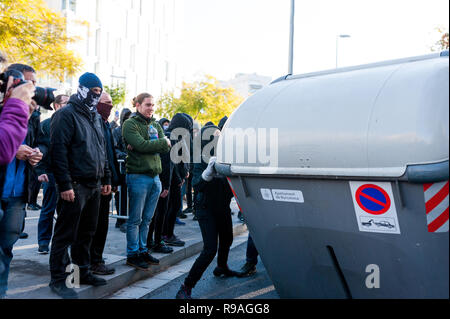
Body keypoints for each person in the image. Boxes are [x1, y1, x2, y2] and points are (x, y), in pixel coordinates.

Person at [49, 72, 111, 299]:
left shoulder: (94, 116)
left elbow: (101, 151)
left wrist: (106, 179)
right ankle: (59, 279)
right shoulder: (66, 115)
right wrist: (65, 184)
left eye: (99, 93)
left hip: (94, 185)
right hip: (74, 185)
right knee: (65, 235)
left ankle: (81, 272)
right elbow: (59, 152)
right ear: (82, 89)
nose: (96, 97)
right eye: (93, 92)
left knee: (86, 234)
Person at [176, 125, 241, 299]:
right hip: (206, 208)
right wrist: (208, 173)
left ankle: (221, 266)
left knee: (227, 239)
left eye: (219, 137)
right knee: (210, 249)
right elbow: (197, 185)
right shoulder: (200, 159)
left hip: (222, 206)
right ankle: (186, 287)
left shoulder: (227, 155)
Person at [122, 92, 171, 270]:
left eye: (152, 105)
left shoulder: (156, 124)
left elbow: (164, 150)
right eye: (147, 105)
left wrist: (150, 145)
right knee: (135, 219)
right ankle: (132, 254)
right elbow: (146, 145)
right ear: (138, 105)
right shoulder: (130, 124)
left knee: (147, 219)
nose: (151, 108)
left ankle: (143, 250)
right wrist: (161, 142)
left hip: (155, 178)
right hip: (138, 177)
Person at [0, 79, 37, 299]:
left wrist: (36, 154)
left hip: (18, 193)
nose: (30, 90)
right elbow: (5, 147)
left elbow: (37, 144)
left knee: (6, 249)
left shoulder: (29, 117)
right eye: (26, 84)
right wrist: (15, 151)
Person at [89, 92, 121, 275]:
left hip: (106, 181)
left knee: (102, 224)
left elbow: (110, 153)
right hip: (97, 182)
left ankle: (97, 258)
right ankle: (92, 261)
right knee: (94, 225)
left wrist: (113, 179)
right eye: (107, 103)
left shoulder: (105, 123)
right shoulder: (95, 122)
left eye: (111, 103)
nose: (110, 106)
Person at [35, 94, 69, 254]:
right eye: (65, 103)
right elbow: (40, 148)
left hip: (68, 174)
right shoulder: (46, 124)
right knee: (48, 209)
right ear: (56, 105)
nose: (68, 105)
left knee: (66, 211)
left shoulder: (71, 122)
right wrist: (41, 171)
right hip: (51, 173)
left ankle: (62, 243)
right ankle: (43, 242)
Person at [112, 108, 132, 231]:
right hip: (121, 168)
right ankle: (121, 219)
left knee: (130, 195)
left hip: (132, 168)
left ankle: (126, 218)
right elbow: (114, 148)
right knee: (121, 194)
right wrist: (122, 156)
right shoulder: (117, 131)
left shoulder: (133, 130)